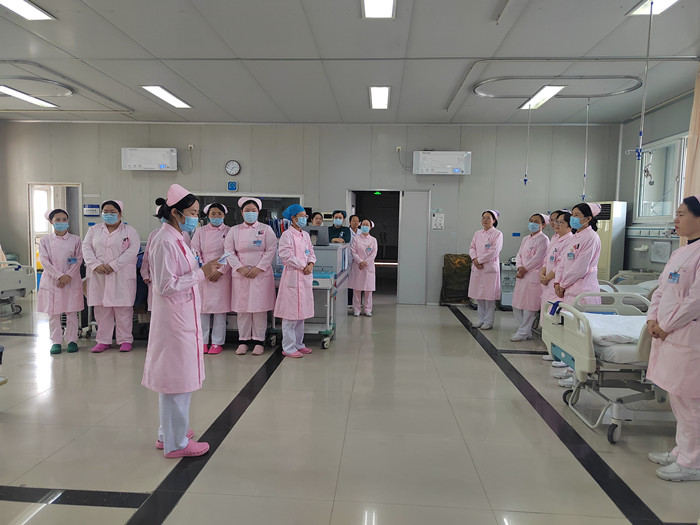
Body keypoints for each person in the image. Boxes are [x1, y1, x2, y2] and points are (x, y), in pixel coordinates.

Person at [142, 184, 221, 459]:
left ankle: (169, 433)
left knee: (176, 379)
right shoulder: (165, 241)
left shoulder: (177, 238)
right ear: (175, 212)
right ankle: (176, 443)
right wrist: (202, 272)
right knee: (177, 382)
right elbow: (165, 285)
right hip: (174, 322)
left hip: (181, 317)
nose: (196, 218)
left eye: (198, 212)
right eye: (192, 213)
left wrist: (201, 270)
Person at [646, 195, 700, 482]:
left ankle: (693, 462)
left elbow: (696, 301)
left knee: (691, 402)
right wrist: (652, 318)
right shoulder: (682, 252)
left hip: (689, 336)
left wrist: (666, 325)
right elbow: (661, 289)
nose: (676, 219)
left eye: (682, 214)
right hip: (672, 335)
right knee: (679, 400)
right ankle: (682, 452)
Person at [82, 200, 140, 353]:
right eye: (106, 211)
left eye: (113, 211)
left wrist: (113, 265)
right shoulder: (93, 230)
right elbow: (86, 248)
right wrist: (95, 265)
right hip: (99, 274)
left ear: (120, 214)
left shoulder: (130, 231)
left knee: (123, 311)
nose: (109, 214)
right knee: (102, 310)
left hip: (121, 275)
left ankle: (125, 340)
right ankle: (103, 340)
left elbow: (133, 250)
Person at [224, 197, 277, 356]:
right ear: (242, 212)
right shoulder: (234, 230)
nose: (250, 213)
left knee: (259, 309)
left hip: (261, 274)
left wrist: (259, 268)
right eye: (247, 211)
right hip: (241, 274)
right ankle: (243, 341)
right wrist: (239, 268)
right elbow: (228, 251)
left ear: (258, 212)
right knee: (243, 309)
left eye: (253, 211)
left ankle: (259, 341)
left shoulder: (266, 229)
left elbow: (271, 250)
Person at [37, 209, 83, 354]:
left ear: (68, 221)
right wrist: (59, 276)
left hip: (71, 280)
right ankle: (56, 341)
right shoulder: (45, 241)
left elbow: (77, 260)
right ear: (51, 222)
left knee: (71, 312)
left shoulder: (75, 240)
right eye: (58, 220)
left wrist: (67, 276)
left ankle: (72, 340)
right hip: (52, 281)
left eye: (64, 219)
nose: (61, 222)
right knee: (54, 313)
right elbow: (45, 261)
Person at [274, 204, 315, 358]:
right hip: (292, 276)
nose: (304, 218)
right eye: (301, 216)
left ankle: (299, 344)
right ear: (293, 218)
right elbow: (286, 255)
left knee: (300, 316)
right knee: (290, 316)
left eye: (305, 216)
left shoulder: (305, 235)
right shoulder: (287, 235)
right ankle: (288, 347)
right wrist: (303, 266)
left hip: (305, 276)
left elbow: (311, 252)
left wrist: (311, 264)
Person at [191, 203, 231, 355]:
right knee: (203, 311)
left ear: (224, 215)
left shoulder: (229, 231)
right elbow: (195, 251)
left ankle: (217, 342)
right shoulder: (200, 231)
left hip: (222, 274)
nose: (216, 216)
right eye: (213, 214)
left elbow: (230, 253)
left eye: (219, 214)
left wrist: (220, 271)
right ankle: (202, 342)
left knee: (220, 311)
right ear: (208, 215)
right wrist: (204, 269)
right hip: (203, 274)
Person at [540, 210, 574, 362]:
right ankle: (552, 349)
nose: (556, 224)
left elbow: (561, 264)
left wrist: (548, 277)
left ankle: (559, 354)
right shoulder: (555, 238)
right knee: (549, 316)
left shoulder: (569, 239)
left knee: (556, 318)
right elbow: (547, 259)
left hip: (556, 282)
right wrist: (542, 273)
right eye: (555, 221)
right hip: (548, 283)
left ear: (570, 225)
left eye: (560, 222)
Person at [511, 213, 550, 341]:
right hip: (522, 275)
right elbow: (519, 255)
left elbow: (538, 258)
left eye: (536, 221)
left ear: (543, 225)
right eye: (531, 220)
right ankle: (525, 330)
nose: (532, 223)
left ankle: (523, 332)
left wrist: (525, 269)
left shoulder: (544, 239)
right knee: (517, 304)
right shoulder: (525, 239)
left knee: (529, 305)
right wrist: (519, 267)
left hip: (533, 274)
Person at [554, 202, 602, 305]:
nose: (572, 218)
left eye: (576, 215)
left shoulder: (591, 237)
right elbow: (564, 261)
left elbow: (580, 268)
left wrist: (562, 285)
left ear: (588, 219)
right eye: (572, 214)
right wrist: (557, 282)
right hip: (569, 288)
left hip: (583, 290)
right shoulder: (576, 236)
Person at [469, 210, 503, 330]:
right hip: (478, 268)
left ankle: (488, 321)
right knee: (479, 295)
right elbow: (472, 247)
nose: (485, 220)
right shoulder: (477, 233)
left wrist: (480, 260)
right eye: (483, 217)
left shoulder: (497, 234)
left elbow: (494, 251)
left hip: (489, 268)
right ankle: (480, 319)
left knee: (489, 297)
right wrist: (475, 259)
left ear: (494, 220)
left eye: (488, 218)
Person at [349, 219, 377, 317]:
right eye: (363, 224)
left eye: (367, 225)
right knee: (357, 289)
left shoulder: (373, 240)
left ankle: (368, 309)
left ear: (370, 227)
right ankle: (356, 309)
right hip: (358, 266)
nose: (365, 226)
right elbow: (353, 251)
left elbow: (374, 253)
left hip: (368, 267)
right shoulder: (356, 239)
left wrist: (366, 262)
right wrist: (360, 261)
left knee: (368, 290)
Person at [141, 207, 165, 312]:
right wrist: (145, 274)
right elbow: (147, 256)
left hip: (175, 277)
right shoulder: (154, 234)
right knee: (156, 308)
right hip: (155, 276)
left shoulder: (184, 234)